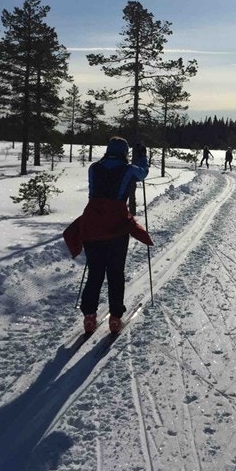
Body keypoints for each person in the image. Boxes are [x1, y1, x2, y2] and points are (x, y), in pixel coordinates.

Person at [63, 137, 153, 334]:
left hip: (92, 226)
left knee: (95, 272)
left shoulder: (94, 168)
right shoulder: (128, 169)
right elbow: (142, 174)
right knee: (115, 273)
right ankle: (115, 317)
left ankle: (89, 316)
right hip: (117, 227)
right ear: (124, 152)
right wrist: (142, 157)